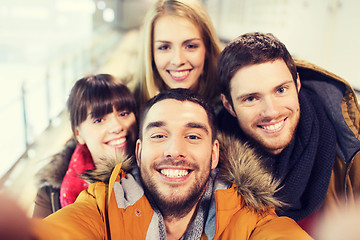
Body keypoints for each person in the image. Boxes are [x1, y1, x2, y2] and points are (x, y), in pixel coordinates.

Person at [33, 88, 311, 239]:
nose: (175, 150)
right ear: (138, 152)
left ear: (214, 154)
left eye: (192, 135)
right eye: (159, 135)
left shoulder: (250, 219)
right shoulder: (102, 205)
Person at [217, 32, 360, 235]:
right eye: (251, 98)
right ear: (228, 105)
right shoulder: (212, 169)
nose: (272, 112)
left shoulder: (351, 156)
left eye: (281, 90)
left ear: (297, 84)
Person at [32, 74, 138, 218]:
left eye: (124, 113)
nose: (117, 127)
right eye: (99, 120)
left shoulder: (155, 176)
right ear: (78, 134)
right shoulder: (50, 196)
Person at [132, 0, 222, 108]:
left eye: (190, 46)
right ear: (151, 53)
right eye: (164, 47)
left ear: (207, 48)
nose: (178, 61)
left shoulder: (229, 105)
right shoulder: (129, 106)